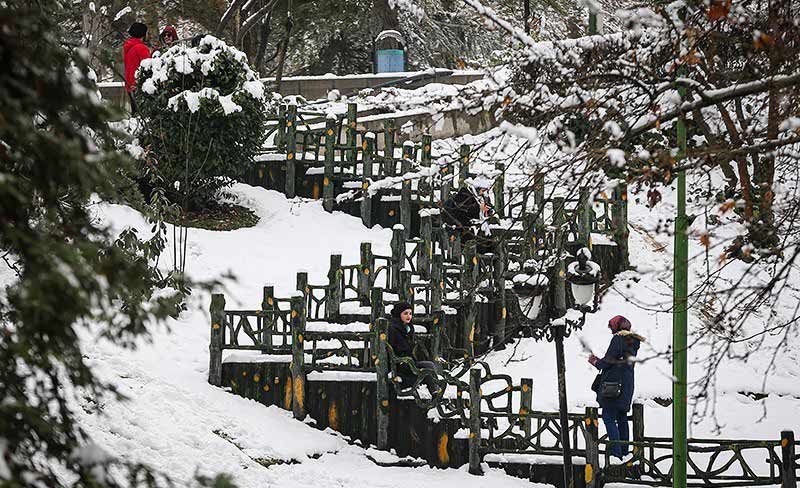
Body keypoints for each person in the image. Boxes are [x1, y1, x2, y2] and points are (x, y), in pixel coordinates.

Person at [589, 315, 645, 462]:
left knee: (608, 417)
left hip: (613, 386)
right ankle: (625, 451)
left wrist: (595, 361)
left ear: (617, 327)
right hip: (626, 386)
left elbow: (607, 362)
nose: (611, 331)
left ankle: (616, 453)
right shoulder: (632, 341)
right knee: (621, 418)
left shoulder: (618, 339)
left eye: (612, 327)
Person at [387, 302, 437, 393]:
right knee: (428, 369)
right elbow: (395, 349)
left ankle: (435, 393)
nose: (408, 316)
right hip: (399, 365)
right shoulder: (393, 329)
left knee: (429, 366)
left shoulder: (408, 327)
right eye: (405, 313)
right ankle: (435, 394)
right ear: (399, 314)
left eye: (410, 313)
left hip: (408, 362)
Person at [442, 176, 495, 253]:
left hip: (478, 227)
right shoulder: (464, 195)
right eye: (482, 190)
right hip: (463, 227)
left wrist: (488, 211)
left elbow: (488, 208)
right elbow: (464, 212)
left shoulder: (481, 197)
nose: (483, 193)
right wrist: (479, 209)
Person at [123, 22, 150, 113]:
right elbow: (148, 67)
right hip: (139, 86)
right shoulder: (141, 48)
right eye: (147, 33)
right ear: (142, 34)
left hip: (130, 85)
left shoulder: (128, 47)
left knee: (135, 113)